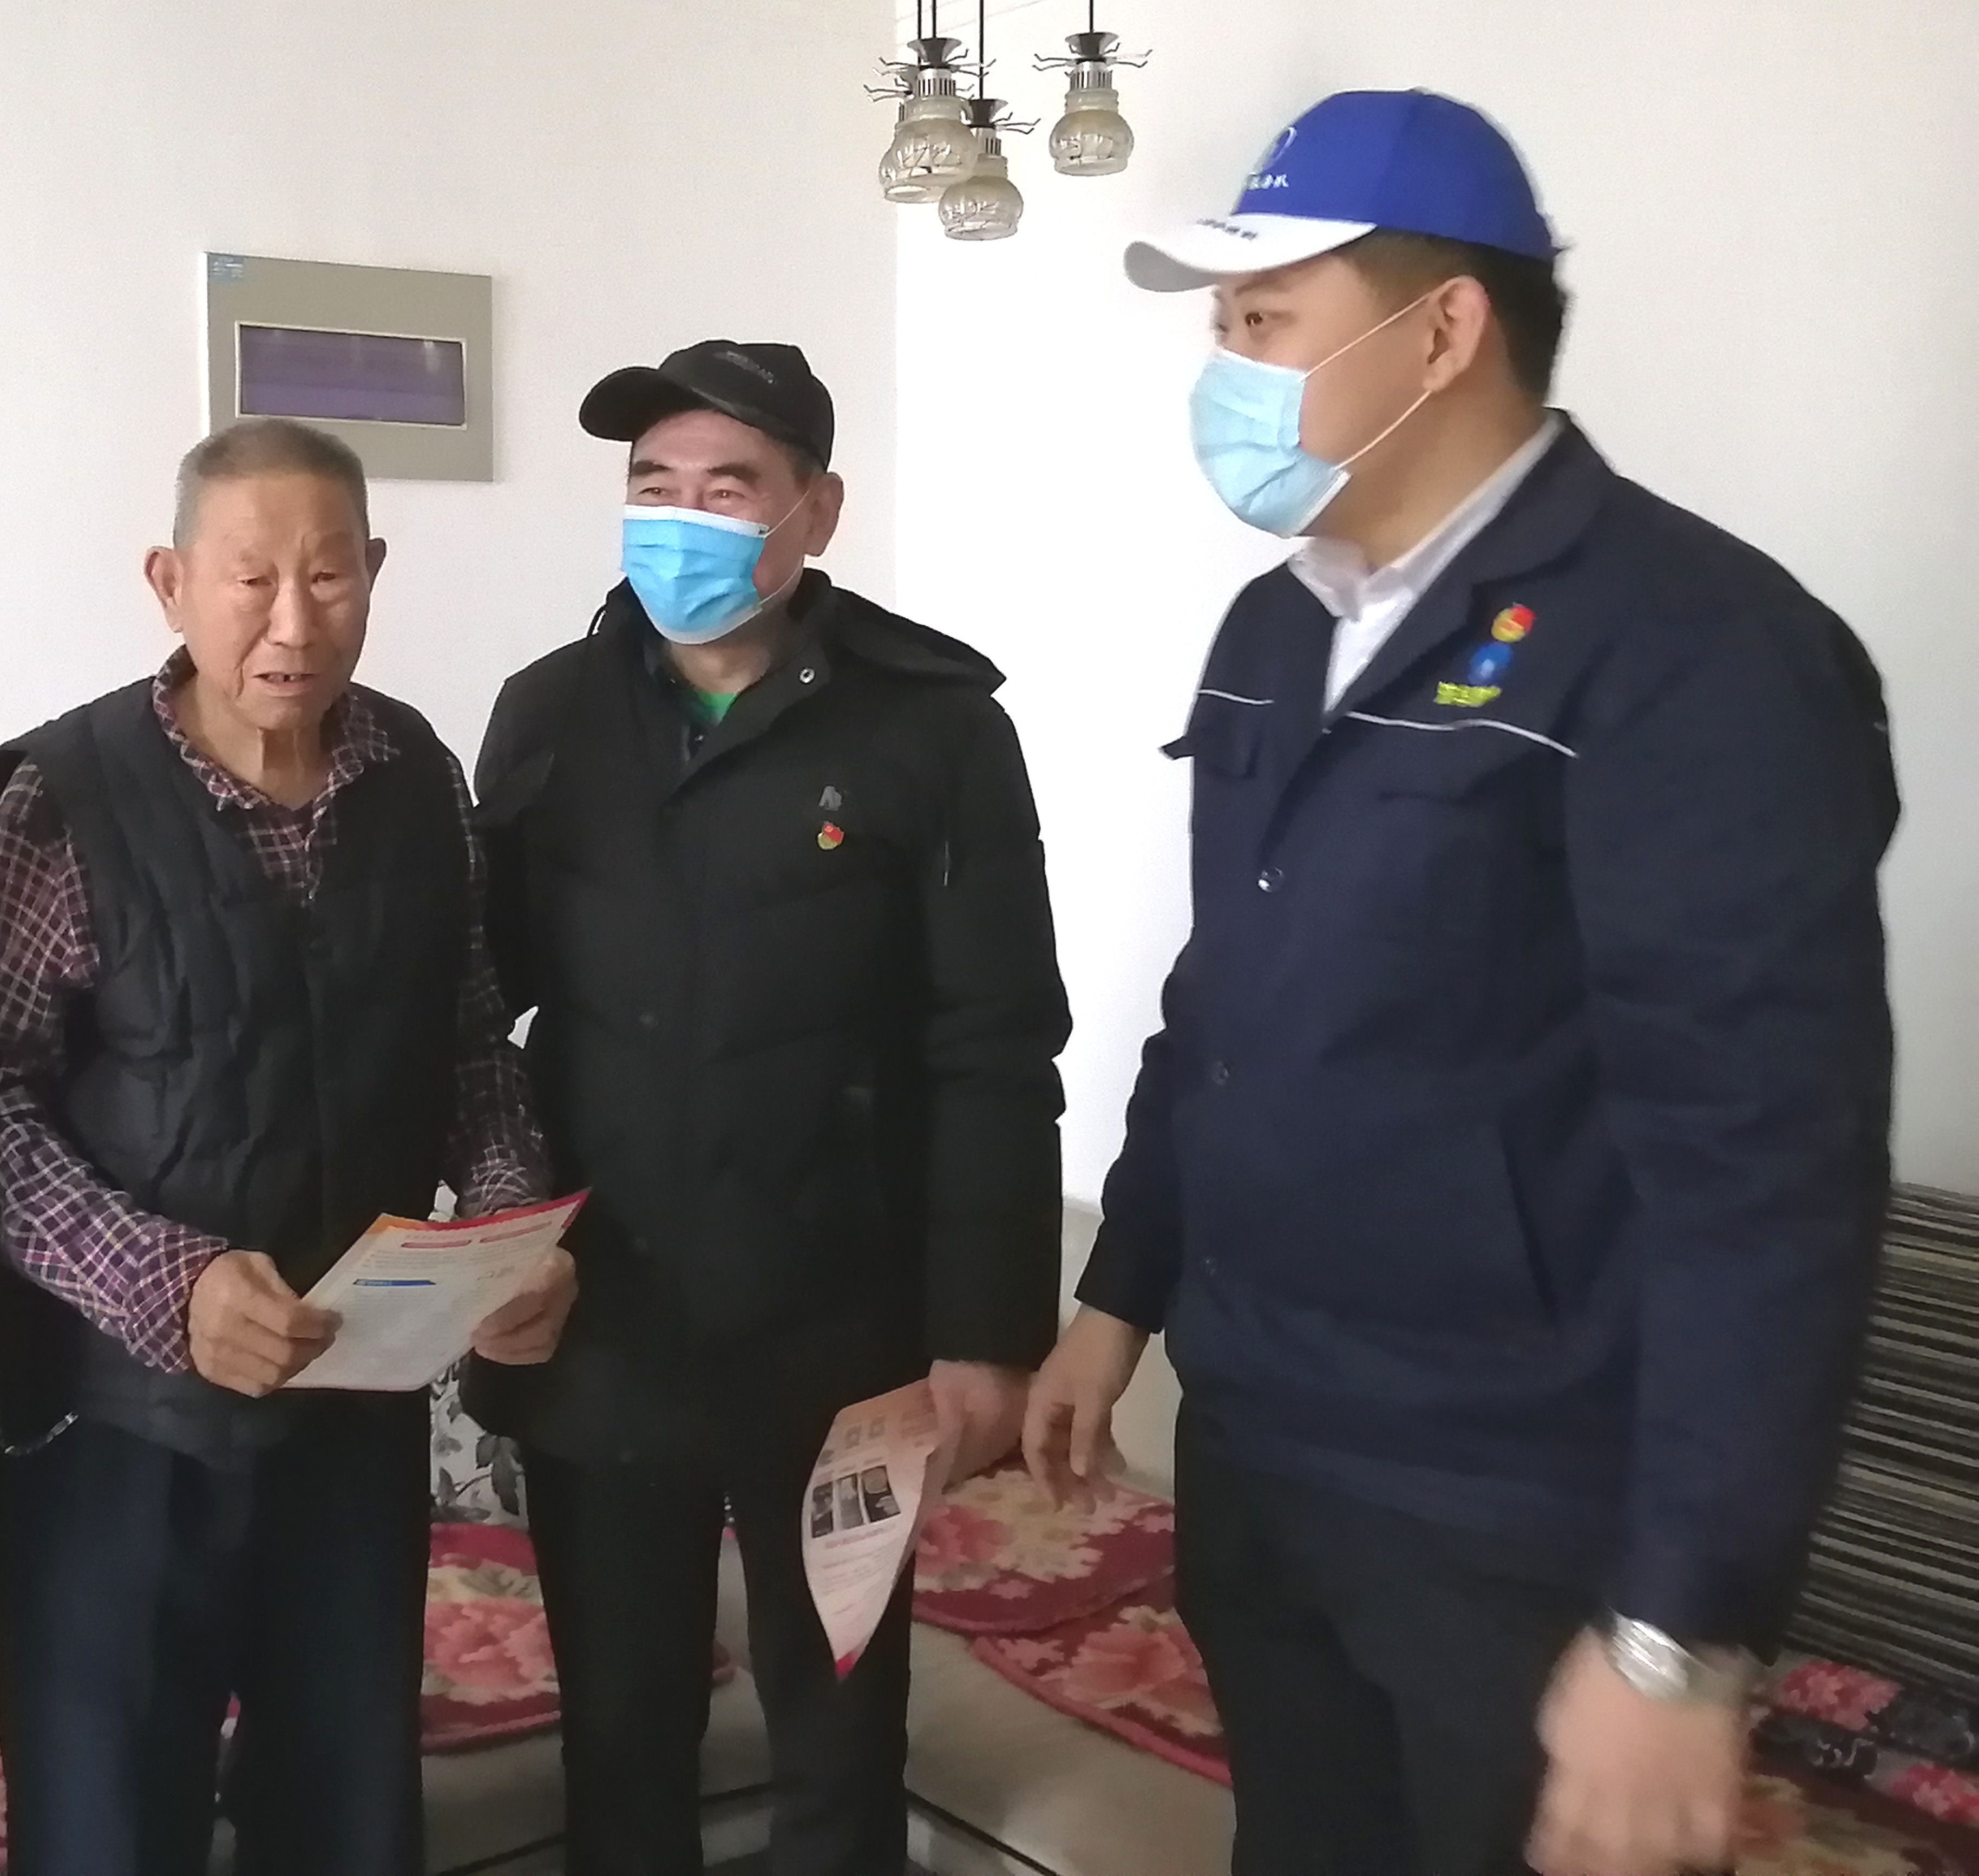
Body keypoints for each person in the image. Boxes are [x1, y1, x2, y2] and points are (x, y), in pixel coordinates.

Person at [1022, 90, 1897, 1876]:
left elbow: (1761, 1177)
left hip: (1511, 1495)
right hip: (1264, 1437)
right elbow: (1226, 998)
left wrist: (1681, 1628)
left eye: (1266, 318)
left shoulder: (1693, 647)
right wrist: (1119, 1298)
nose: (1227, 368)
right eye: (1223, 325)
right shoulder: (1277, 625)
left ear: (1442, 332)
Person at [467, 341, 1072, 1876]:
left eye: (725, 488)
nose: (681, 520)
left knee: (838, 1745)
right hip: (608, 1331)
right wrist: (483, 1242)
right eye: (651, 486)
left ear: (817, 510)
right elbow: (477, 1015)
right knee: (621, 1742)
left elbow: (996, 1046)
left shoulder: (934, 729)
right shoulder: (547, 715)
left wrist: (988, 1334)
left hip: (839, 1348)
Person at [0, 415, 575, 1876]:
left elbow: (468, 1044)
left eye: (330, 576)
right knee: (106, 1837)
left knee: (346, 1830)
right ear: (169, 582)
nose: (294, 623)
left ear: (375, 573)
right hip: (112, 1437)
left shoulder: (417, 775)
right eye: (250, 580)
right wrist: (161, 1284)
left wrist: (507, 1226)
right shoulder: (67, 799)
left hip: (349, 1427)